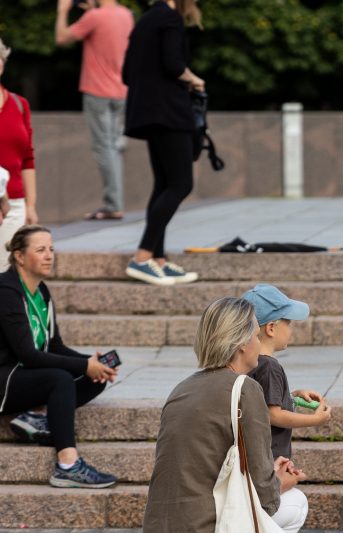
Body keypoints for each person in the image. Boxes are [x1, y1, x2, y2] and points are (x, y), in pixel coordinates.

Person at [144, 297, 331, 533]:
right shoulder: (244, 389)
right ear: (242, 343)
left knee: (293, 512)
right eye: (255, 336)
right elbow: (265, 495)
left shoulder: (181, 389)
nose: (259, 342)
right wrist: (279, 483)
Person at [0, 225, 118, 488]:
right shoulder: (6, 292)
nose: (49, 255)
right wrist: (82, 365)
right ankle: (67, 464)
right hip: (5, 379)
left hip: (24, 376)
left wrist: (92, 363)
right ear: (19, 256)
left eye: (51, 249)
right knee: (60, 379)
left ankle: (37, 419)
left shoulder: (41, 291)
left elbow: (54, 345)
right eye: (40, 250)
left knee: (94, 379)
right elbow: (27, 355)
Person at [122, 0, 203, 286]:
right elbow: (173, 64)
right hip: (169, 112)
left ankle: (158, 259)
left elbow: (126, 73)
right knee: (181, 183)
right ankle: (143, 257)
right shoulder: (169, 18)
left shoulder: (144, 21)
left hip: (146, 113)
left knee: (164, 184)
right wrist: (195, 80)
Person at [55, 0, 134, 221]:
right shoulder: (126, 15)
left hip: (98, 91)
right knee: (114, 146)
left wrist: (63, 11)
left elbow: (62, 38)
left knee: (104, 147)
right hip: (122, 90)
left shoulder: (95, 17)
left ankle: (113, 204)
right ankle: (115, 202)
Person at [240, 283, 333, 461]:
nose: (291, 330)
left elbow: (260, 402)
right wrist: (315, 420)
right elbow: (272, 414)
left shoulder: (246, 362)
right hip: (271, 459)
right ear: (271, 328)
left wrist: (291, 397)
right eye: (288, 323)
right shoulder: (269, 367)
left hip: (254, 455)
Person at [0, 38, 38, 271]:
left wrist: (30, 205)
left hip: (14, 205)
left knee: (7, 276)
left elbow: (28, 158)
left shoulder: (19, 104)